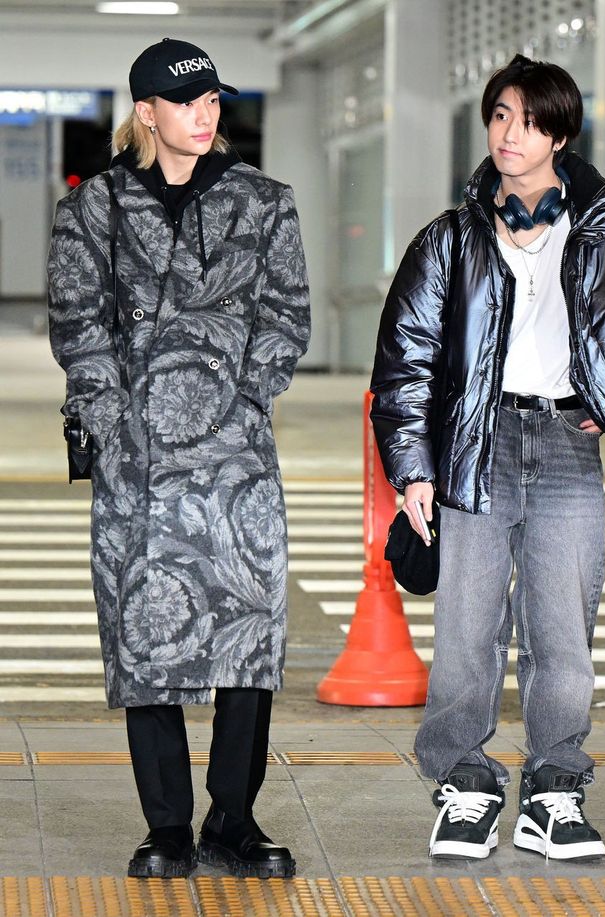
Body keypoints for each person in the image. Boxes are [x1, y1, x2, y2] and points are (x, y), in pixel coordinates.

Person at [370, 54, 605, 861]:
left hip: (566, 443)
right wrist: (413, 466)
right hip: (476, 446)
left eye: (525, 120)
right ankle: (464, 783)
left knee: (562, 631)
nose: (507, 133)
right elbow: (406, 361)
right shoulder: (450, 238)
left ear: (559, 131)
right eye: (498, 117)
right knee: (465, 630)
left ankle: (554, 789)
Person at [47, 38, 310, 879]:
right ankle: (166, 826)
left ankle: (233, 817)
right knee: (142, 632)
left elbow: (286, 314)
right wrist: (115, 415)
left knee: (249, 635)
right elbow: (77, 324)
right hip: (137, 461)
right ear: (147, 112)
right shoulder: (94, 210)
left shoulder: (264, 203)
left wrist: (236, 396)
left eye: (213, 101)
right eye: (187, 102)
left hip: (235, 457)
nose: (205, 115)